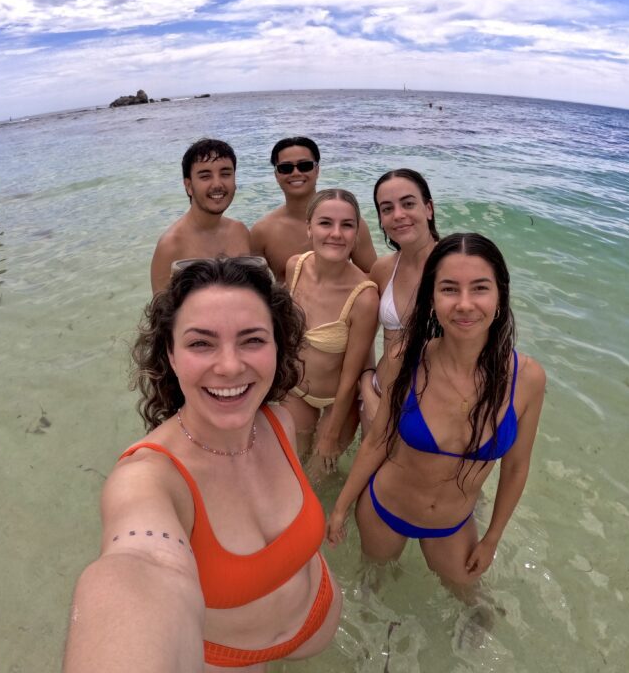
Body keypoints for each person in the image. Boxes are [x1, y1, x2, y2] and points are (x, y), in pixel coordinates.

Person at [63, 258, 341, 672]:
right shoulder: (149, 479)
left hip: (317, 615)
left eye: (252, 340)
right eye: (201, 343)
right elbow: (142, 566)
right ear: (171, 356)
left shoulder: (279, 420)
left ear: (278, 347)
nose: (229, 365)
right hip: (231, 659)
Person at [327, 233, 546, 599]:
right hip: (385, 508)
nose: (464, 304)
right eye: (448, 289)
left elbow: (516, 467)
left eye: (479, 288)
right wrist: (340, 507)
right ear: (431, 296)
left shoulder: (527, 379)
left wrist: (492, 538)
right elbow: (378, 441)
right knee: (372, 593)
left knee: (472, 605)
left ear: (500, 295)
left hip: (452, 523)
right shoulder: (404, 361)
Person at [283, 190, 379, 468]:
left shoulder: (364, 297)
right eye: (326, 223)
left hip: (337, 401)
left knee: (319, 477)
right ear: (309, 227)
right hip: (296, 391)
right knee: (292, 470)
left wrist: (332, 432)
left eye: (347, 225)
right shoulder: (295, 267)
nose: (336, 233)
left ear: (356, 233)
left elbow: (351, 376)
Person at [360, 169, 440, 431]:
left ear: (428, 208)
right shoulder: (382, 270)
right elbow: (361, 341)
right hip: (380, 396)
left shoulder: (458, 265)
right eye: (387, 208)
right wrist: (367, 389)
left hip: (437, 406)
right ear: (381, 219)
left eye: (408, 204)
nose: (398, 215)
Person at [250, 137, 377, 283]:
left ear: (317, 170)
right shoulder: (262, 232)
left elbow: (372, 276)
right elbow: (255, 287)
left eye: (305, 166)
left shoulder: (348, 224)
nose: (296, 173)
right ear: (276, 174)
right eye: (286, 168)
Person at [150, 139, 252, 293]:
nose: (217, 184)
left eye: (225, 174)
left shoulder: (240, 231)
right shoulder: (171, 245)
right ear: (189, 186)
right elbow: (161, 313)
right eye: (205, 176)